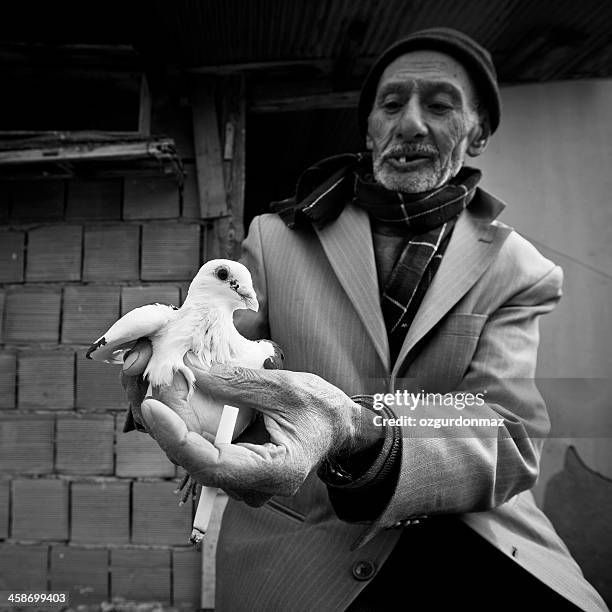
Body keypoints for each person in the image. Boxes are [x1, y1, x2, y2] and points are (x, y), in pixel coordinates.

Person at [123, 28, 607, 612]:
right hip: (303, 557)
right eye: (392, 103)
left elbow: (505, 431)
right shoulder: (276, 242)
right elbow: (222, 374)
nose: (411, 124)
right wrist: (176, 385)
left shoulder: (517, 268)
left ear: (476, 132)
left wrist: (359, 428)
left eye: (440, 104)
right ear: (370, 128)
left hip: (472, 542)